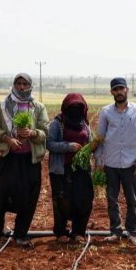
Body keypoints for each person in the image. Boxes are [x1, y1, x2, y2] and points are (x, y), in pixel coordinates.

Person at [0, 73, 48, 247]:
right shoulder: (3, 105)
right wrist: (7, 139)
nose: (21, 87)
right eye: (18, 83)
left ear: (30, 86)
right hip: (9, 159)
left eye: (25, 84)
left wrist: (33, 133)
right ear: (14, 85)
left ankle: (20, 234)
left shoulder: (37, 107)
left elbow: (45, 131)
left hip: (30, 161)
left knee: (28, 199)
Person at [95, 77, 136, 245]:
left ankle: (133, 232)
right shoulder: (106, 112)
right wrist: (98, 160)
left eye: (121, 89)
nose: (119, 92)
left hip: (130, 163)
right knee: (112, 199)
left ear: (127, 89)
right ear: (112, 92)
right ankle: (115, 232)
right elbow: (100, 138)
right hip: (110, 163)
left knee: (132, 199)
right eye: (115, 89)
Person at [47, 93, 94, 243]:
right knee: (61, 200)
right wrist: (68, 147)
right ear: (65, 108)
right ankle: (61, 232)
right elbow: (49, 144)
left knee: (83, 199)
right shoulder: (57, 124)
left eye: (78, 107)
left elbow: (91, 143)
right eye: (71, 107)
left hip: (81, 169)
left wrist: (89, 149)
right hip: (61, 169)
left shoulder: (84, 124)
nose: (75, 110)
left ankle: (78, 231)